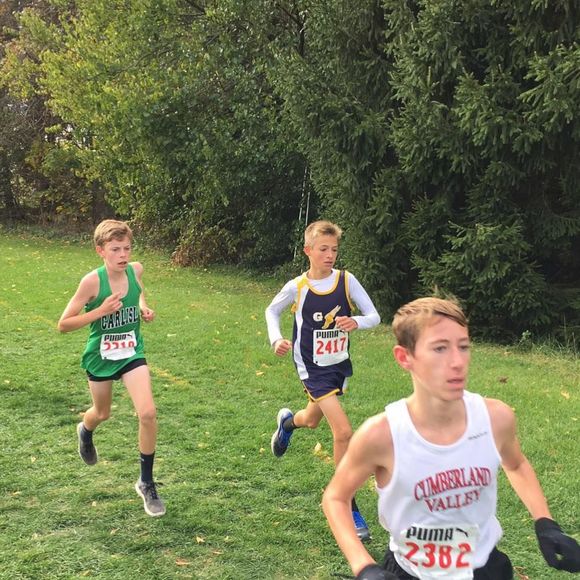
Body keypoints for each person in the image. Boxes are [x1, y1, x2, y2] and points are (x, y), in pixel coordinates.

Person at [322, 296, 580, 579]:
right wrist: (364, 566)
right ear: (405, 357)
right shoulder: (382, 435)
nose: (457, 362)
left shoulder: (495, 418)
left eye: (463, 346)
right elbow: (336, 497)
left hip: (486, 570)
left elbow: (516, 464)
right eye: (440, 348)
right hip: (411, 572)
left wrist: (545, 523)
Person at [265, 220, 380, 541]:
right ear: (308, 251)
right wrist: (276, 339)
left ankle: (288, 424)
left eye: (334, 250)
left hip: (337, 364)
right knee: (343, 431)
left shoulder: (346, 281)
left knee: (312, 419)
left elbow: (374, 316)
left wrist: (356, 322)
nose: (329, 255)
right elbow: (272, 311)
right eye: (323, 249)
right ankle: (346, 504)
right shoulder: (297, 287)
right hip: (310, 366)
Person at [58, 219, 165, 517]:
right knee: (102, 413)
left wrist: (142, 307)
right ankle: (85, 429)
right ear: (100, 251)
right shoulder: (92, 282)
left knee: (148, 413)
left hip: (131, 353)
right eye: (115, 249)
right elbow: (64, 324)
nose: (123, 255)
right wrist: (101, 311)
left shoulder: (136, 269)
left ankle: (146, 482)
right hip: (101, 357)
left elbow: (138, 290)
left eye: (127, 248)